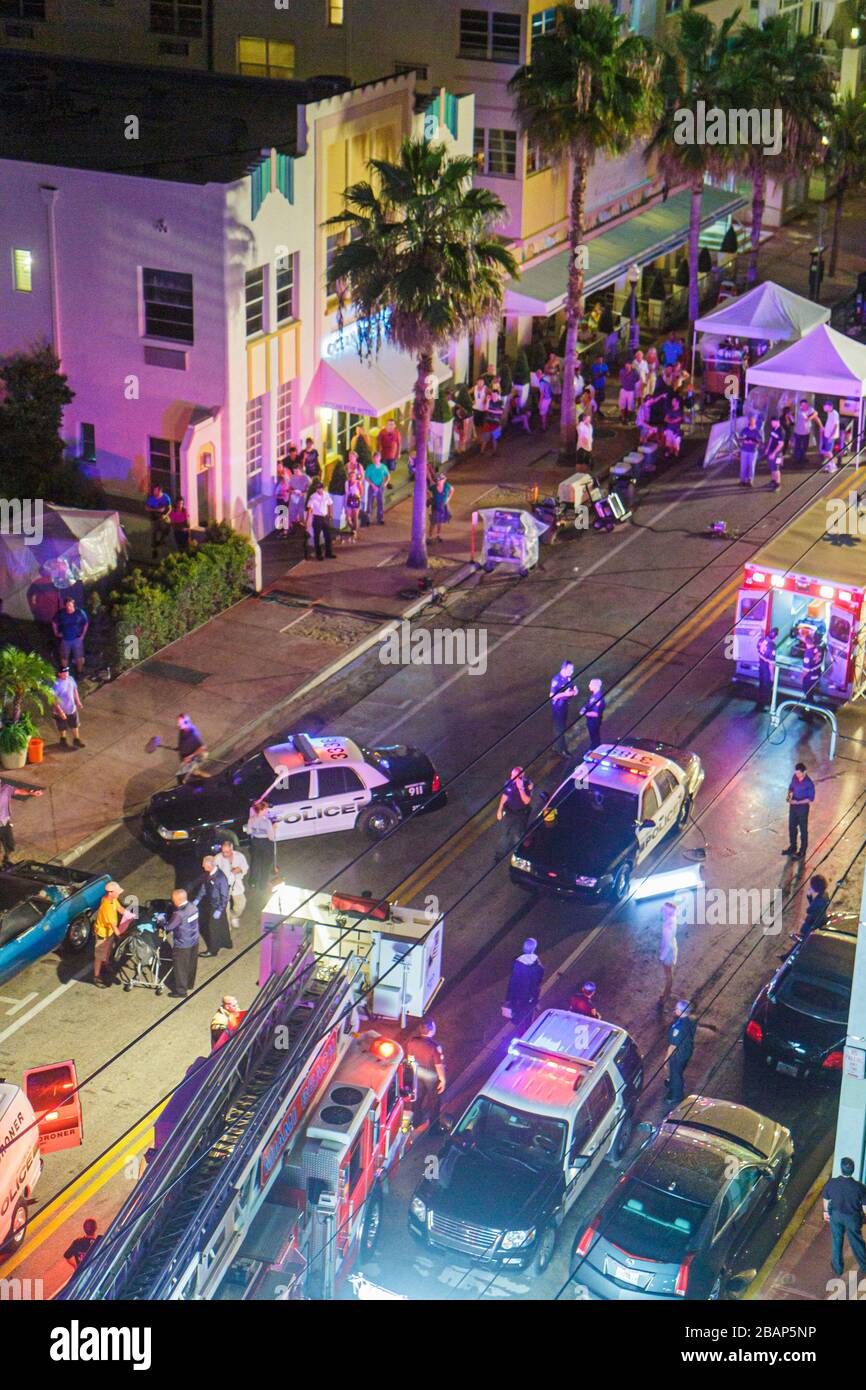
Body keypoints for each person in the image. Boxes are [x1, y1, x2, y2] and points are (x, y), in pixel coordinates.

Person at [822, 1157, 866, 1278]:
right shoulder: (859, 1187)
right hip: (852, 1218)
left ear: (841, 1169)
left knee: (837, 1240)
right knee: (856, 1241)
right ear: (853, 1170)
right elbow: (864, 1207)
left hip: (836, 1216)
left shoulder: (832, 1183)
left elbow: (826, 1198)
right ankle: (864, 1265)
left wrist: (826, 1211)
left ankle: (838, 1268)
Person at [406, 1019, 447, 1137]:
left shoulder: (412, 1042)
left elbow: (410, 1059)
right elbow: (439, 1066)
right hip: (431, 1077)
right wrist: (443, 1080)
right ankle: (434, 1129)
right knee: (434, 1102)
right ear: (431, 1030)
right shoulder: (435, 1047)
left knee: (417, 1100)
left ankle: (415, 1123)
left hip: (418, 1073)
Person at [163, 888, 201, 997]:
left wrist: (162, 922)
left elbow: (169, 927)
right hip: (194, 940)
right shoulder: (193, 907)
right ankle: (189, 984)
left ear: (178, 899)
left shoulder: (179, 913)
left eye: (173, 898)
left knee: (180, 968)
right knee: (191, 964)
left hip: (182, 944)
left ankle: (181, 991)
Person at [0, 776, 43, 868]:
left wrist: (31, 793)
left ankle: (6, 859)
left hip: (4, 822)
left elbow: (18, 791)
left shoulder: (6, 788)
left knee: (9, 843)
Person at [504, 938, 544, 1031]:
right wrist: (536, 999)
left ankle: (519, 1029)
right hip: (529, 997)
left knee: (517, 1017)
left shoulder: (518, 964)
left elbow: (513, 982)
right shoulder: (539, 967)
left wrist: (508, 998)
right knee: (527, 1019)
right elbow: (537, 984)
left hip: (518, 995)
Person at [194, 855, 231, 956]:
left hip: (217, 905)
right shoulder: (209, 874)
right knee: (223, 924)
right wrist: (197, 899)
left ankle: (213, 950)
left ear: (210, 866)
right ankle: (226, 942)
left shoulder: (220, 878)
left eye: (204, 865)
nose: (202, 866)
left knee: (212, 927)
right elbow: (204, 887)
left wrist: (220, 909)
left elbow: (224, 895)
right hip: (212, 903)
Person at [495, 766, 533, 862]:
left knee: (519, 834)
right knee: (505, 834)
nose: (512, 778)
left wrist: (521, 788)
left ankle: (520, 855)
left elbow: (526, 801)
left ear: (521, 777)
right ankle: (499, 855)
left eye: (515, 776)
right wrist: (499, 809)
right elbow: (505, 795)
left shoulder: (527, 784)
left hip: (521, 814)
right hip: (509, 812)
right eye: (512, 775)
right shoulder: (509, 783)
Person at [664, 999, 696, 1107]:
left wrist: (666, 1059)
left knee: (676, 1073)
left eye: (676, 1008)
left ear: (681, 1011)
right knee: (678, 1071)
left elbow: (673, 1046)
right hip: (687, 1050)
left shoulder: (677, 1027)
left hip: (679, 1054)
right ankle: (672, 1083)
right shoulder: (691, 1021)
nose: (675, 1009)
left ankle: (676, 1096)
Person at [93, 880, 123, 987]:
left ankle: (106, 963)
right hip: (103, 933)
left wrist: (130, 915)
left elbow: (119, 908)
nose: (119, 893)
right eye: (117, 892)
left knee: (109, 948)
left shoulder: (112, 899)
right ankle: (96, 975)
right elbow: (112, 924)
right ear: (110, 892)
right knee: (99, 955)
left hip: (109, 932)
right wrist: (119, 934)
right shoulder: (107, 905)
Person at [215, 838, 249, 933]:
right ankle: (227, 926)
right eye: (223, 852)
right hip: (223, 886)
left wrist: (240, 870)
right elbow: (214, 872)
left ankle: (234, 916)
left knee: (241, 904)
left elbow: (245, 867)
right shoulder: (218, 858)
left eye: (227, 852)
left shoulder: (239, 856)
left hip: (236, 884)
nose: (225, 854)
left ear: (232, 848)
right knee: (225, 906)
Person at [52, 597, 89, 679]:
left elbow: (86, 623)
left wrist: (83, 635)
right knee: (64, 657)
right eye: (67, 605)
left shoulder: (79, 613)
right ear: (65, 605)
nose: (69, 607)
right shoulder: (61, 613)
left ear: (73, 605)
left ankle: (79, 672)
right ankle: (64, 673)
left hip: (77, 639)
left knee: (79, 657)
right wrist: (56, 632)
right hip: (65, 640)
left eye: (70, 605)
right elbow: (54, 622)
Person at [784, 762, 815, 859]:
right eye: (796, 773)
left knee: (803, 830)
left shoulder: (809, 783)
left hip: (802, 809)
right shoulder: (794, 777)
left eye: (798, 773)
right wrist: (789, 796)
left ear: (804, 772)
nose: (797, 775)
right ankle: (793, 847)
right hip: (793, 808)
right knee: (792, 828)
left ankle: (802, 851)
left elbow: (810, 799)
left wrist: (796, 802)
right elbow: (791, 787)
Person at [246, 799, 276, 891]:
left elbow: (249, 832)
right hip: (265, 843)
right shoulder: (267, 821)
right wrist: (274, 828)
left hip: (255, 842)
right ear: (262, 810)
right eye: (266, 808)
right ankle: (262, 885)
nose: (267, 810)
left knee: (255, 863)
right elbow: (271, 837)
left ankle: (252, 883)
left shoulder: (251, 819)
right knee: (266, 865)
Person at [550, 660, 578, 755]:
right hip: (558, 708)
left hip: (565, 705)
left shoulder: (568, 678)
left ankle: (558, 747)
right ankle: (561, 750)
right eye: (570, 669)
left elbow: (572, 686)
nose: (572, 671)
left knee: (562, 728)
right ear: (564, 669)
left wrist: (575, 690)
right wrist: (565, 694)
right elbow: (552, 696)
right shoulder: (556, 679)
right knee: (560, 729)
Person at [52, 664, 85, 749]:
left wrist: (78, 702)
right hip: (61, 710)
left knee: (75, 724)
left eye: (67, 671)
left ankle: (76, 740)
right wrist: (60, 712)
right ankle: (63, 740)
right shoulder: (56, 685)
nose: (66, 673)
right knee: (62, 726)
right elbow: (53, 699)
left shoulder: (70, 679)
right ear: (59, 674)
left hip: (71, 708)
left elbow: (75, 690)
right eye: (64, 672)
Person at [306, 480, 336, 561]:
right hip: (317, 518)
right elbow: (310, 509)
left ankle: (328, 553)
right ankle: (318, 554)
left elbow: (330, 504)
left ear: (322, 488)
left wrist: (330, 514)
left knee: (328, 536)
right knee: (317, 537)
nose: (318, 490)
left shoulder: (326, 494)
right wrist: (308, 520)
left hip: (325, 517)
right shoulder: (313, 496)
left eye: (320, 488)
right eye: (317, 488)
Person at [658, 899, 680, 1009]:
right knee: (669, 973)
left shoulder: (668, 925)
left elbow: (668, 944)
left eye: (664, 910)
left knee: (668, 975)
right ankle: (667, 992)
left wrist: (662, 956)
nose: (662, 910)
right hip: (670, 950)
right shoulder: (671, 919)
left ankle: (666, 995)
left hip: (668, 953)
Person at [175, 713, 206, 783]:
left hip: (192, 758)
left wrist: (190, 757)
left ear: (186, 723)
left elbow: (202, 747)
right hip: (186, 758)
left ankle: (211, 779)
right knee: (192, 774)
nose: (178, 725)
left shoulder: (193, 734)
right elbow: (182, 742)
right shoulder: (182, 730)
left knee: (181, 777)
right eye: (178, 723)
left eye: (180, 723)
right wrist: (180, 747)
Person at [798, 874, 829, 940]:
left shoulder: (819, 899)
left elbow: (809, 910)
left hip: (815, 922)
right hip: (822, 919)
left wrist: (809, 895)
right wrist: (810, 897)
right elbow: (815, 906)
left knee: (803, 932)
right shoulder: (825, 894)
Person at [146, 482, 172, 558]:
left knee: (166, 526)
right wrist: (156, 509)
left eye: (155, 490)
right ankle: (154, 549)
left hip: (163, 517)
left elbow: (170, 508)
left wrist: (165, 515)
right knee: (154, 533)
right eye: (154, 490)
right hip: (154, 519)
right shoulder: (152, 498)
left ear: (160, 490)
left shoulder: (166, 497)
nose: (154, 492)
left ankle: (161, 541)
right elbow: (147, 508)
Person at [343, 451, 364, 543]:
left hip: (356, 493)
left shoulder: (359, 466)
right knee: (348, 516)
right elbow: (344, 475)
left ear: (356, 457)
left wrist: (357, 482)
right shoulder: (346, 466)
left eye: (352, 457)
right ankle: (353, 529)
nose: (350, 458)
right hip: (349, 492)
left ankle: (354, 531)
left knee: (355, 514)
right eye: (349, 456)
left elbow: (362, 476)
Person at [737, 412, 762, 488]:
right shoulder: (744, 430)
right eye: (750, 420)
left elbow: (760, 442)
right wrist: (744, 441)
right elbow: (740, 439)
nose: (751, 422)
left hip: (753, 451)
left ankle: (750, 480)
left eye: (753, 420)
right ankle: (742, 480)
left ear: (755, 422)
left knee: (751, 466)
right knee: (743, 465)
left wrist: (753, 442)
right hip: (744, 450)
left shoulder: (757, 431)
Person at [364, 452, 390, 525]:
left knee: (380, 502)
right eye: (375, 458)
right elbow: (366, 477)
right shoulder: (370, 467)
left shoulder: (383, 467)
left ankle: (380, 518)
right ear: (373, 459)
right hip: (372, 487)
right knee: (369, 503)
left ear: (380, 458)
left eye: (377, 458)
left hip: (380, 487)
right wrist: (372, 484)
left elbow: (388, 476)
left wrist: (385, 483)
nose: (376, 459)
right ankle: (368, 518)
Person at [756, 627, 778, 710]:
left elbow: (758, 649)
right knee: (767, 687)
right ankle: (762, 706)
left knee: (761, 685)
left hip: (761, 664)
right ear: (775, 637)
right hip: (766, 668)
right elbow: (771, 664)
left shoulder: (761, 640)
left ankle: (759, 704)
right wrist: (772, 675)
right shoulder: (772, 646)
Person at [580, 678, 605, 750]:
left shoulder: (597, 697)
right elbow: (589, 704)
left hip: (594, 721)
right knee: (594, 737)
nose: (589, 685)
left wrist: (584, 713)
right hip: (591, 721)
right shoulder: (594, 695)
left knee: (595, 738)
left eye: (591, 684)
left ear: (596, 686)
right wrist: (584, 708)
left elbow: (596, 714)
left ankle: (595, 751)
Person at [792, 399, 818, 464]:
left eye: (805, 404)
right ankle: (797, 459)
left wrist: (810, 417)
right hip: (798, 432)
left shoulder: (810, 409)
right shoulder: (800, 411)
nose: (803, 406)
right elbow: (807, 418)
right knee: (798, 446)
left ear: (807, 404)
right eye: (802, 405)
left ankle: (803, 458)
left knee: (805, 446)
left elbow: (816, 413)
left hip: (806, 432)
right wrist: (811, 417)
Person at [428, 473, 453, 542]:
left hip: (443, 507)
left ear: (444, 480)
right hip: (435, 507)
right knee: (433, 522)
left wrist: (448, 498)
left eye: (441, 480)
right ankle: (429, 537)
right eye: (438, 480)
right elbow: (426, 490)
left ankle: (438, 535)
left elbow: (452, 490)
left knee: (440, 522)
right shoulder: (433, 487)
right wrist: (429, 498)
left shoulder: (447, 486)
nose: (439, 481)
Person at [764, 416, 785, 489]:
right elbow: (771, 439)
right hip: (771, 451)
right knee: (772, 467)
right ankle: (773, 481)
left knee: (776, 468)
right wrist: (767, 448)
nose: (771, 424)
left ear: (777, 422)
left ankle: (778, 483)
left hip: (777, 453)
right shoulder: (773, 429)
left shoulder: (781, 431)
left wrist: (774, 453)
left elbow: (781, 444)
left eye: (772, 423)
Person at [820, 400, 841, 473]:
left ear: (830, 407)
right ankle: (829, 464)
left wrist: (831, 436)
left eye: (825, 407)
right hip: (826, 434)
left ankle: (833, 466)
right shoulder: (829, 412)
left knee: (829, 451)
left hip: (830, 436)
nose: (824, 408)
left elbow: (836, 426)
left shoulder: (835, 414)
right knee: (826, 451)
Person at [287, 460, 309, 530]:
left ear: (300, 470)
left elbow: (308, 490)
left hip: (302, 498)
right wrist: (291, 491)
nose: (295, 473)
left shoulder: (305, 478)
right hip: (294, 498)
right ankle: (292, 526)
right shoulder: (292, 478)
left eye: (297, 471)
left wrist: (302, 493)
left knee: (301, 512)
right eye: (294, 471)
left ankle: (304, 526)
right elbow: (289, 488)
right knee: (292, 512)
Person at [618, 359, 639, 425]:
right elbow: (622, 377)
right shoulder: (622, 371)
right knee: (622, 405)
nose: (627, 367)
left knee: (630, 406)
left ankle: (628, 418)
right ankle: (623, 417)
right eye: (626, 365)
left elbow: (637, 379)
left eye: (629, 365)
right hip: (623, 389)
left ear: (631, 365)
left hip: (631, 391)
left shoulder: (635, 373)